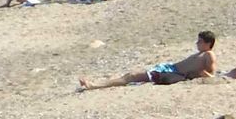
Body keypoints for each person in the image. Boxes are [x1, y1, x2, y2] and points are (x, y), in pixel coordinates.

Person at [78, 31, 218, 90]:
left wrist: (203, 75)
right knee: (131, 76)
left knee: (131, 76)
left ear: (207, 43)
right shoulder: (202, 53)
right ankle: (96, 84)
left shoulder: (208, 55)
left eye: (200, 42)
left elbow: (212, 75)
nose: (197, 43)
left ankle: (94, 85)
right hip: (170, 69)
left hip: (173, 73)